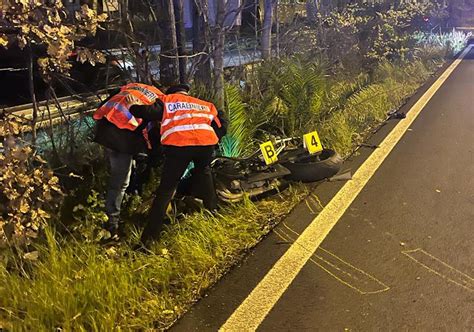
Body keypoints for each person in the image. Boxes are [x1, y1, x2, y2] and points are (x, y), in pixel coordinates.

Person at [140, 83, 227, 245]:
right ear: (187, 92)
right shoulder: (203, 104)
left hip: (179, 146)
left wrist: (132, 105)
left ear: (172, 92)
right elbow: (222, 123)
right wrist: (214, 139)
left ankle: (150, 240)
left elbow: (147, 112)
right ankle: (214, 213)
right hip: (205, 145)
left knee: (166, 189)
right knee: (205, 174)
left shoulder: (167, 100)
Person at [92, 82, 164, 240]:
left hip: (105, 128)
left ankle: (125, 204)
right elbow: (151, 127)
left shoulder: (134, 87)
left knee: (126, 172)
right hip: (121, 137)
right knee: (120, 181)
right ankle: (112, 224)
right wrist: (153, 153)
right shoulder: (160, 100)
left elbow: (106, 102)